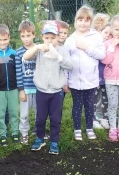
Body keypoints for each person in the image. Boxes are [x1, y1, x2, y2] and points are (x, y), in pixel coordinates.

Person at [23, 21, 73, 154]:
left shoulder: (62, 50)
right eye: (46, 38)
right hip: (41, 91)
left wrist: (58, 57)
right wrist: (38, 47)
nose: (50, 41)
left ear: (58, 36)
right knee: (40, 118)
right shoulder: (39, 50)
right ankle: (40, 138)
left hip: (57, 92)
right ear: (42, 37)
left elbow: (70, 65)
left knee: (55, 118)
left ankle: (54, 141)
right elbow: (25, 57)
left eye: (53, 37)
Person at [64, 5, 106, 141]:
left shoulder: (96, 37)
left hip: (91, 80)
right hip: (75, 81)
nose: (83, 23)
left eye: (87, 20)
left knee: (89, 105)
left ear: (91, 22)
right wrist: (65, 81)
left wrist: (86, 47)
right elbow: (65, 63)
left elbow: (101, 55)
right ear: (75, 21)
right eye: (80, 19)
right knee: (77, 105)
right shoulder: (70, 40)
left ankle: (89, 128)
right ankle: (77, 129)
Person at [0, 24, 19, 146]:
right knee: (0, 114)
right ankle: (2, 134)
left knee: (13, 112)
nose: (2, 42)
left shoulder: (14, 53)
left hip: (13, 89)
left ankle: (15, 132)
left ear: (9, 38)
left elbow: (18, 71)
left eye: (5, 39)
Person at [16, 20, 37, 145]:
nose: (26, 39)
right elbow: (18, 72)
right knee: (24, 114)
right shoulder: (18, 52)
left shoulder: (38, 49)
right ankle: (24, 134)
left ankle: (39, 130)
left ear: (34, 35)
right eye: (23, 36)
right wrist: (21, 90)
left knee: (40, 113)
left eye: (28, 35)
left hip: (39, 88)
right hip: (26, 90)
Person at [91, 13, 111, 130]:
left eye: (109, 33)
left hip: (107, 77)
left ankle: (104, 118)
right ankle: (93, 119)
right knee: (93, 99)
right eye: (105, 32)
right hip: (94, 77)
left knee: (105, 98)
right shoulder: (95, 44)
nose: (108, 35)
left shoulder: (110, 44)